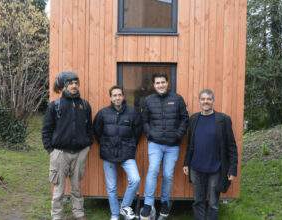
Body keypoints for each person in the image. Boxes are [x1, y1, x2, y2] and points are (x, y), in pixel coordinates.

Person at [42, 71, 93, 220]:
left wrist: (87, 145)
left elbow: (89, 128)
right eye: (70, 83)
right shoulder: (55, 106)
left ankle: (78, 213)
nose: (74, 86)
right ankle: (57, 215)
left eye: (76, 83)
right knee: (59, 189)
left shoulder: (85, 105)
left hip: (80, 153)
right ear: (64, 86)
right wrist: (50, 150)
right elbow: (46, 130)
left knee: (77, 187)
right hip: (59, 153)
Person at [183, 89, 238, 220]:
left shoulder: (223, 120)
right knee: (198, 201)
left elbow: (231, 146)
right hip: (196, 168)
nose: (205, 101)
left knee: (213, 203)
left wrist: (232, 169)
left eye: (208, 99)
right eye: (203, 99)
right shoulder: (194, 119)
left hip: (216, 168)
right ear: (199, 101)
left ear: (213, 101)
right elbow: (190, 144)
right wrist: (186, 163)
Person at [140, 73, 189, 219]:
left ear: (167, 83)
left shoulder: (177, 99)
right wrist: (151, 134)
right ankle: (148, 204)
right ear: (154, 85)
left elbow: (184, 119)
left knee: (168, 175)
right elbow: (144, 121)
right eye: (157, 83)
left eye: (163, 82)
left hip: (172, 146)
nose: (160, 85)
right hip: (155, 144)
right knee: (153, 171)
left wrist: (178, 135)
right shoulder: (148, 100)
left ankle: (165, 202)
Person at [94, 85, 142, 220]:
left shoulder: (132, 113)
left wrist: (131, 145)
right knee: (111, 187)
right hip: (108, 154)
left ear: (123, 96)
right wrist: (104, 144)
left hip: (127, 153)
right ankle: (114, 214)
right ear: (110, 97)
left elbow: (138, 132)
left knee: (135, 179)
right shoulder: (103, 113)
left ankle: (124, 207)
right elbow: (97, 131)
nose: (117, 97)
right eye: (114, 95)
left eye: (119, 95)